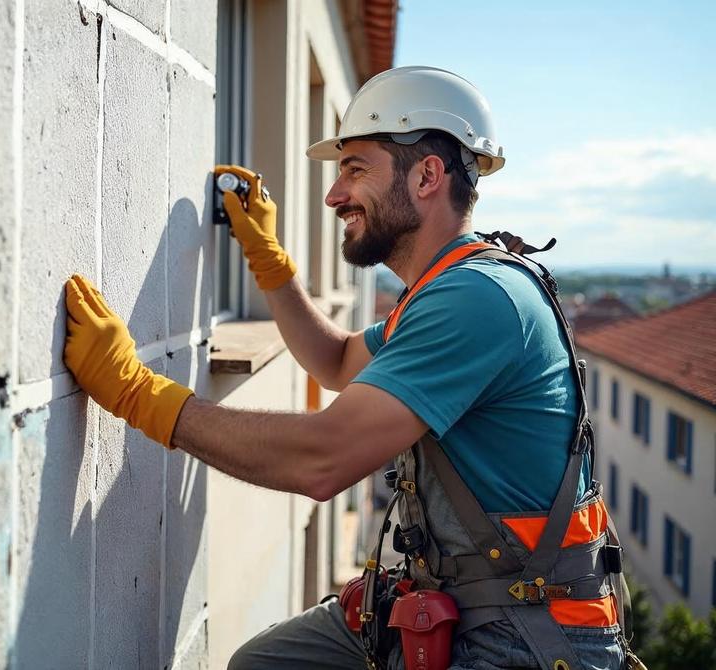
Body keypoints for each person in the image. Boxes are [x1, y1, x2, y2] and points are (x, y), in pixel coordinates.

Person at [63, 66, 632, 669]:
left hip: (526, 636)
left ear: (427, 176)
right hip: (461, 602)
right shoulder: (440, 291)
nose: (335, 196)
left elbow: (323, 458)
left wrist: (137, 394)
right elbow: (335, 361)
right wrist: (268, 261)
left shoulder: (477, 301)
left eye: (356, 169)